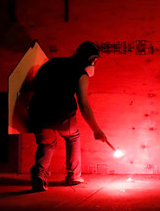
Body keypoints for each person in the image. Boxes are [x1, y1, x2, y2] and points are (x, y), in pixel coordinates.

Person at [26, 41, 109, 191]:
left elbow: (33, 85)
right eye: (95, 61)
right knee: (73, 137)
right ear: (90, 58)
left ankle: (39, 175)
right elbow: (84, 106)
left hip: (39, 111)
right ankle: (73, 176)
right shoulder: (81, 74)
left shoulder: (52, 63)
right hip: (63, 115)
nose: (95, 64)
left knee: (46, 144)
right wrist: (97, 130)